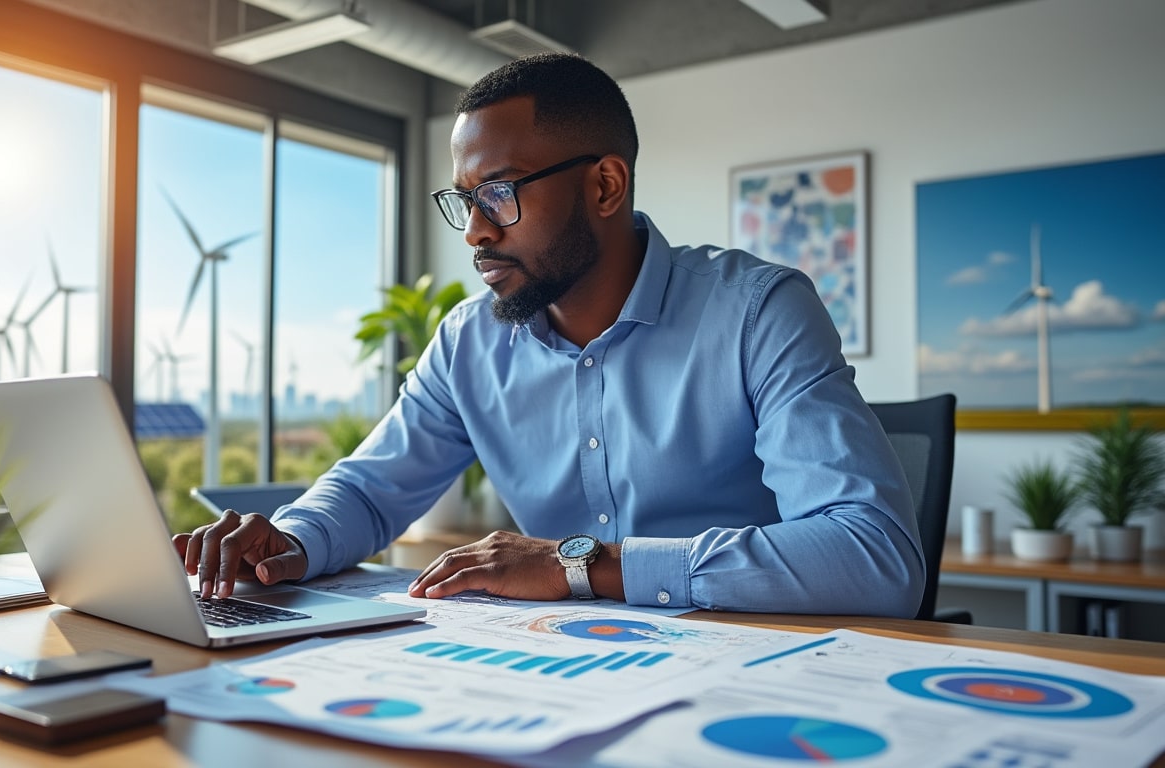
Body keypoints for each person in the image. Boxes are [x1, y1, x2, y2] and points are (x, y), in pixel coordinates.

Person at [174, 53, 924, 618]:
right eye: (464, 201)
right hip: (562, 675)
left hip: (757, 673)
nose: (473, 232)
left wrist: (583, 565)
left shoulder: (758, 312)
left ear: (604, 185)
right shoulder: (468, 342)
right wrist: (291, 540)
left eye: (498, 194)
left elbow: (874, 555)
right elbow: (371, 491)